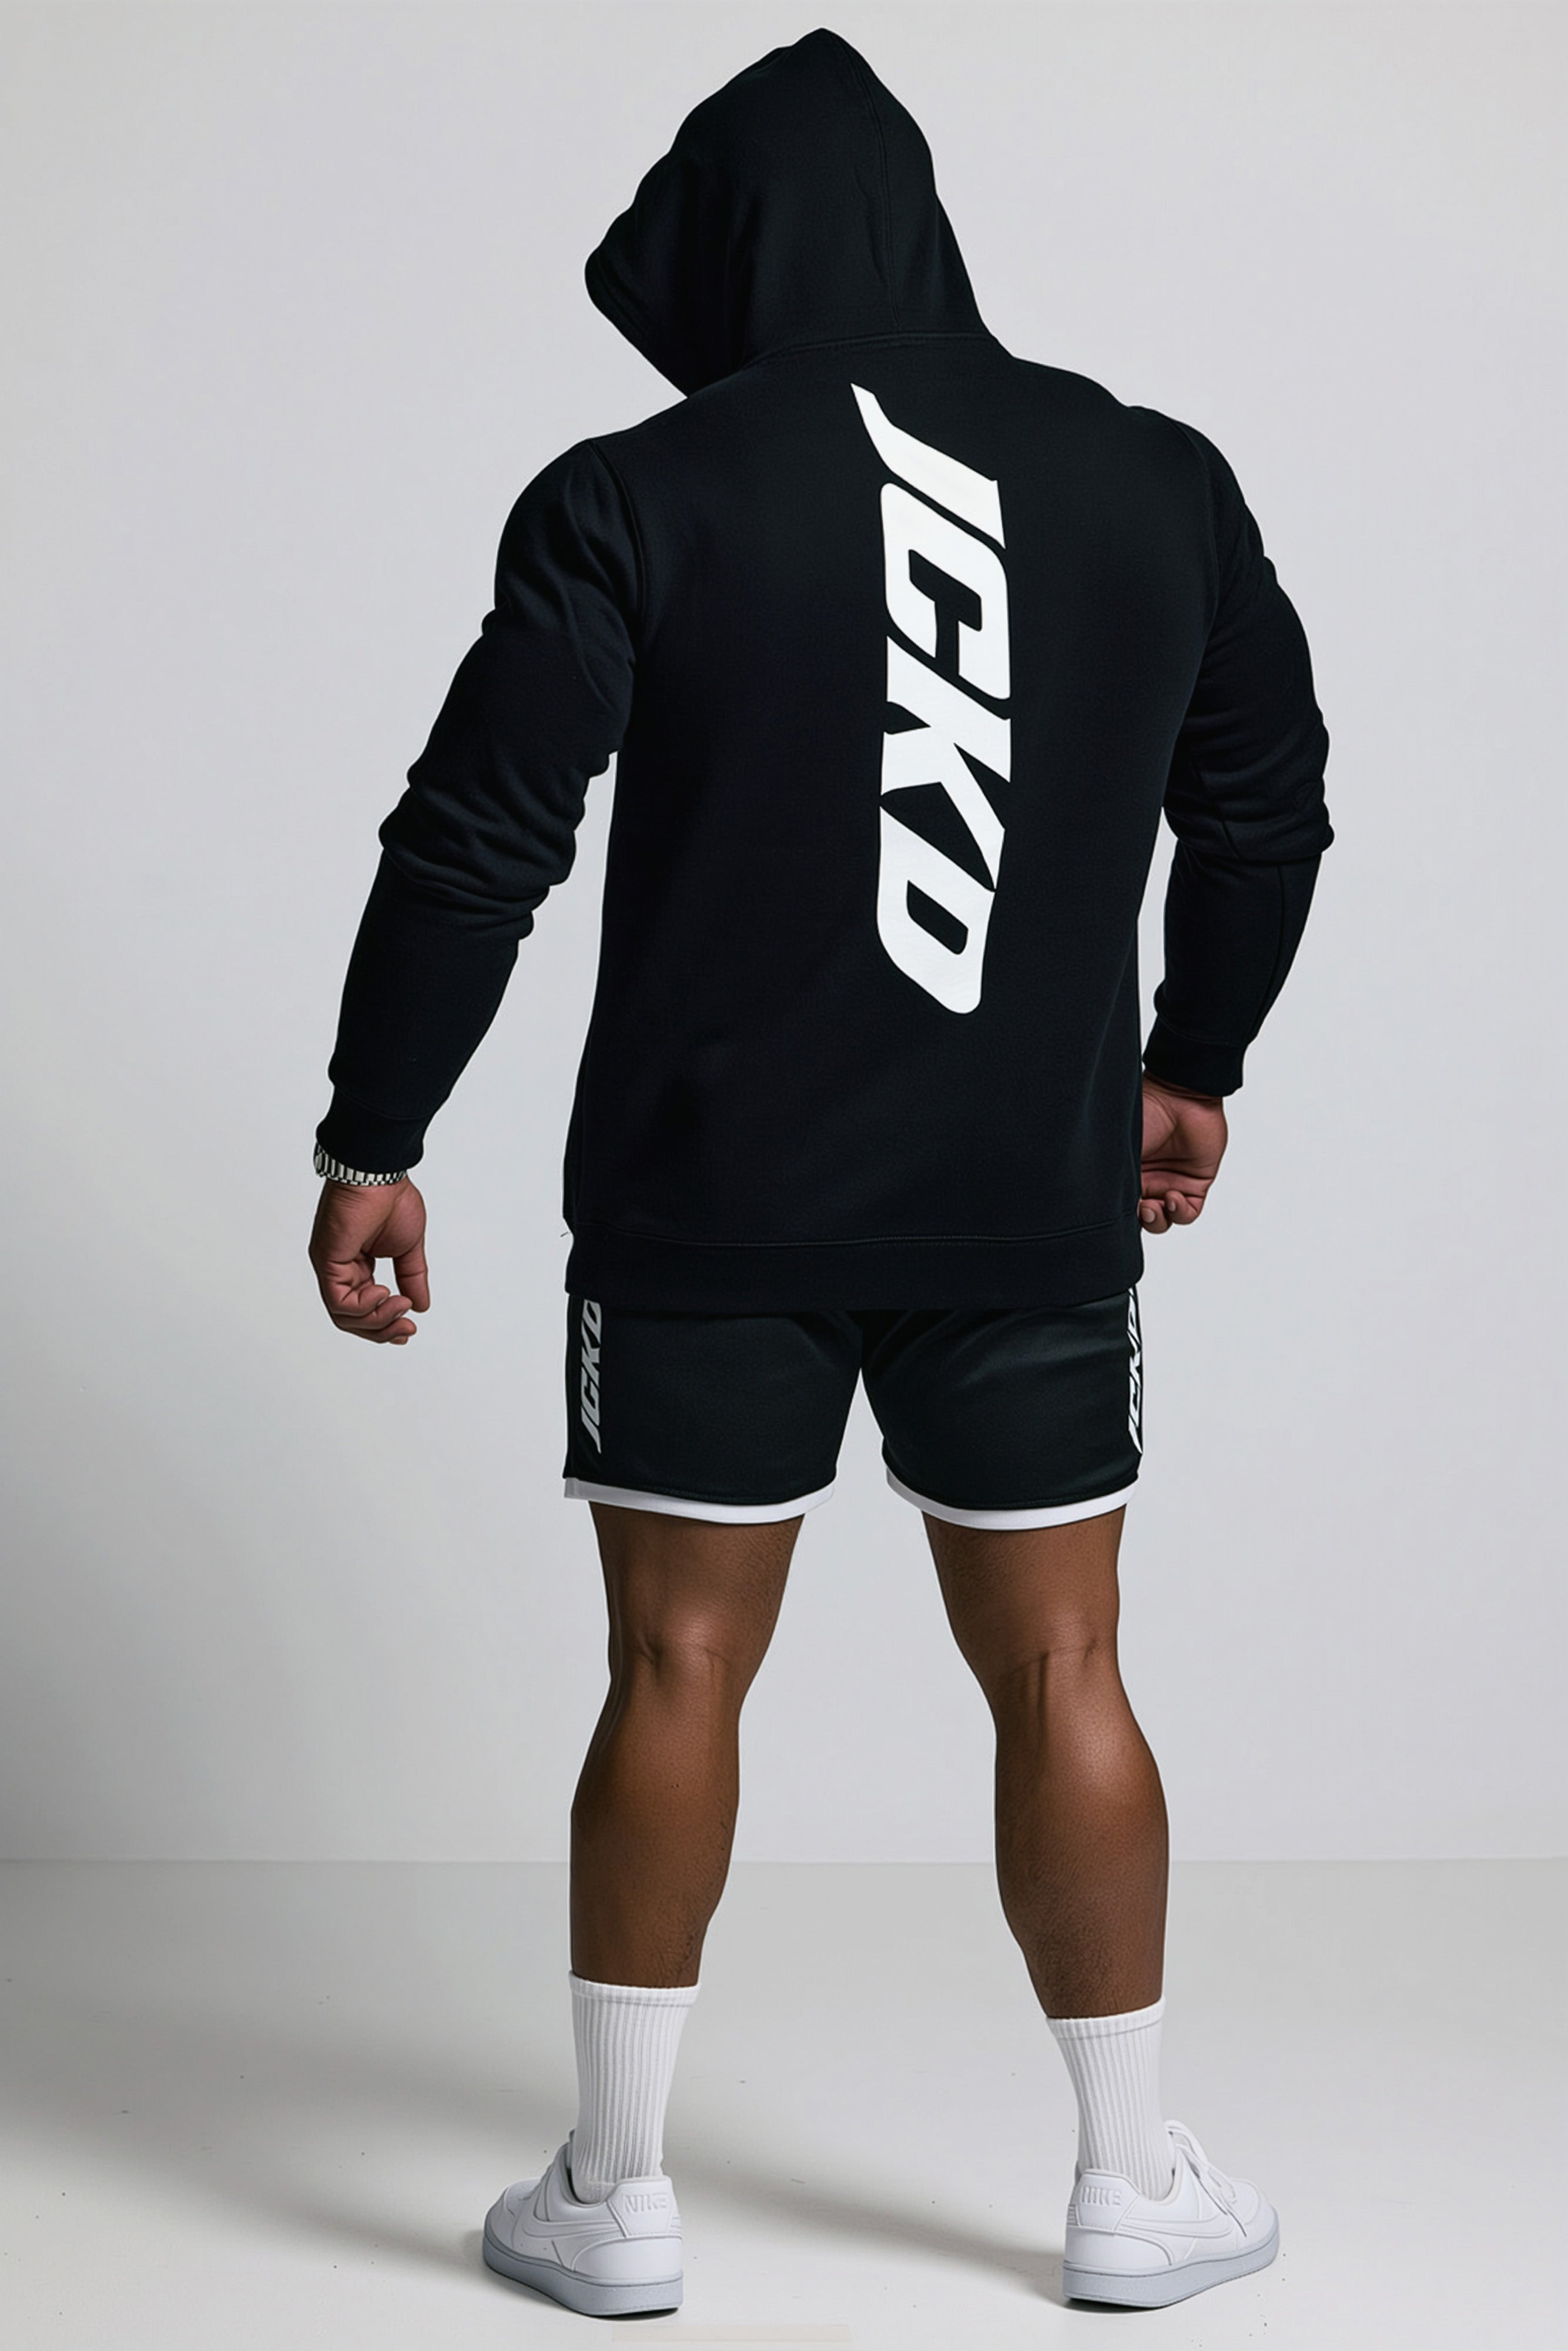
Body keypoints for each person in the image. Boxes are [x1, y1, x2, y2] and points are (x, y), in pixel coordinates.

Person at [308, 26, 1331, 2318]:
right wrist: (1191, 1064)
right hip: (1024, 1203)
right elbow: (1269, 802)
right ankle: (1128, 2186)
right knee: (1065, 1660)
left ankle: (615, 2198)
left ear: (731, 252)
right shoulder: (1148, 478)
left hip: (703, 1213)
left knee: (674, 1663)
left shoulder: (632, 496)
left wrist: (377, 1133)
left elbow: (475, 840)